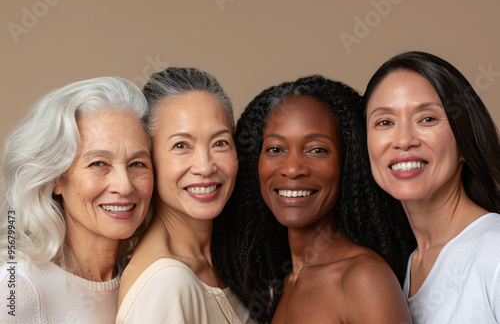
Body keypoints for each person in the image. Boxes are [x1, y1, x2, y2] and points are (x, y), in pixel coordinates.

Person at [213, 75, 413, 323]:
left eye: (317, 150)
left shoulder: (363, 279)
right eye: (275, 149)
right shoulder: (285, 283)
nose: (293, 168)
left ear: (348, 163)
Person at [0, 77, 154, 323]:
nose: (124, 186)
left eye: (138, 163)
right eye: (98, 163)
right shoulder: (19, 290)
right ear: (56, 179)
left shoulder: (147, 283)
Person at [364, 51, 500, 323]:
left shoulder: (494, 252)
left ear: (465, 142)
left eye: (427, 119)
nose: (403, 140)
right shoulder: (401, 268)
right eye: (385, 122)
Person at [116, 67, 256, 324]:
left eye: (220, 143)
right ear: (148, 158)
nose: (205, 166)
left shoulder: (229, 263)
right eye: (181, 145)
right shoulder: (167, 283)